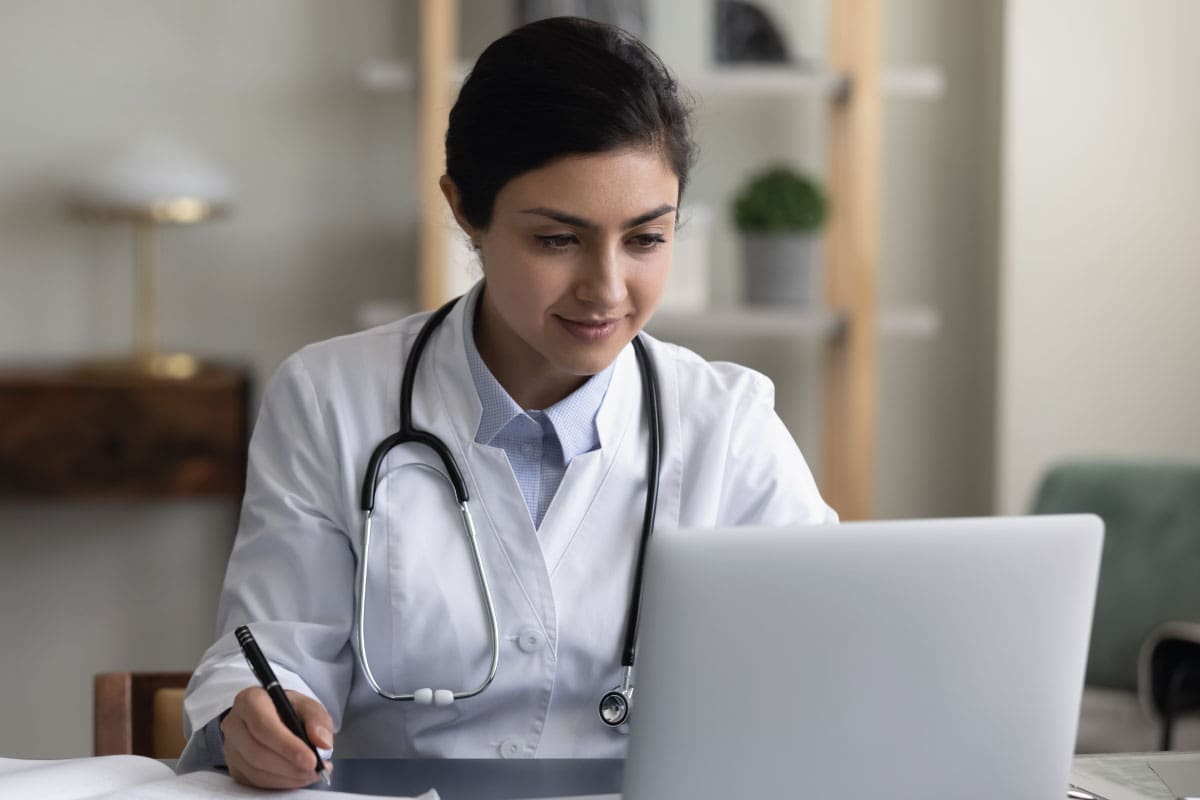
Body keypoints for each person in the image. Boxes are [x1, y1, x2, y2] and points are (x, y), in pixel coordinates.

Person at [179, 16, 836, 789]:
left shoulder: (730, 425)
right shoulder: (330, 399)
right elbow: (273, 651)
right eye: (558, 240)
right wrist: (258, 711)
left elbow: (823, 662)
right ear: (466, 209)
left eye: (646, 239)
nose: (607, 288)